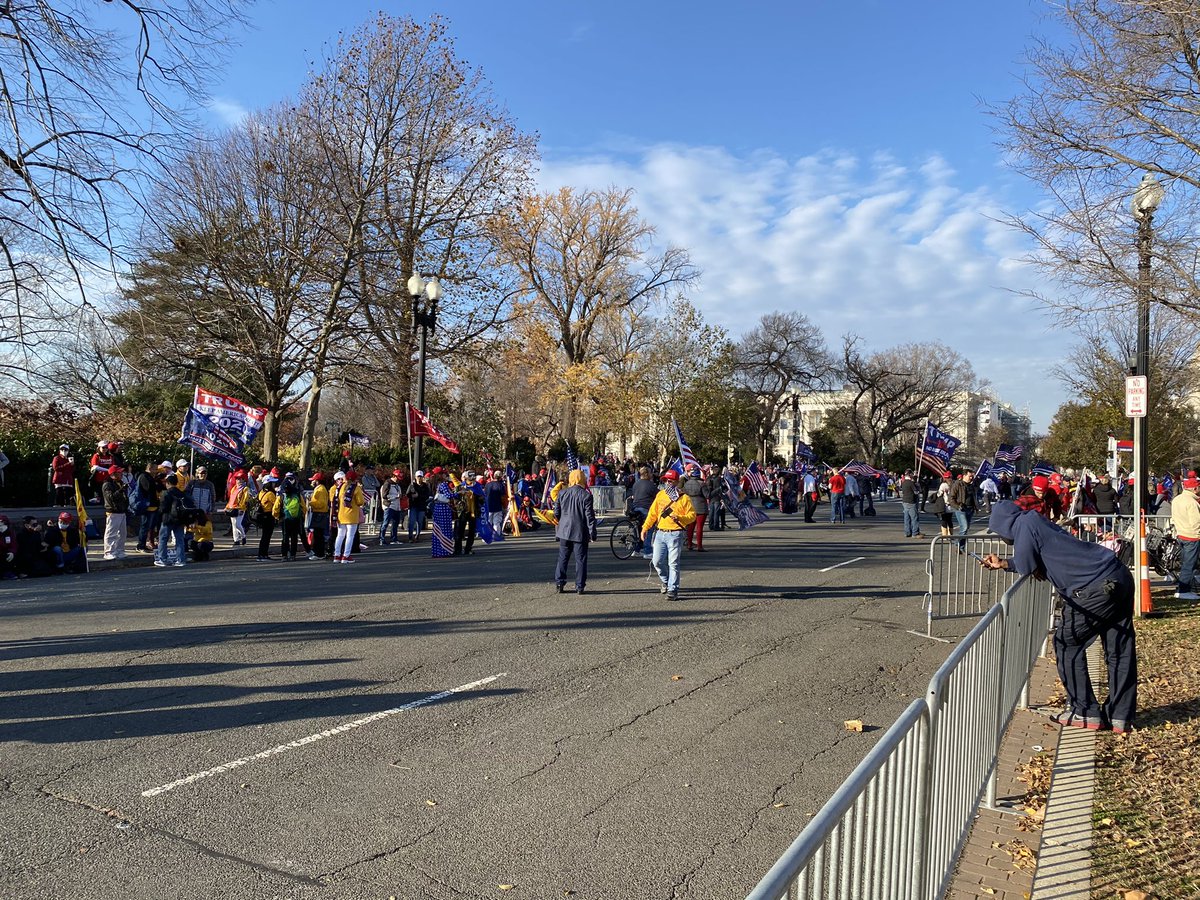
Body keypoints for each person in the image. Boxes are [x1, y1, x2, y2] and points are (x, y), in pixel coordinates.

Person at [982, 501, 1136, 733]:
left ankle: (1085, 711)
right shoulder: (1035, 521)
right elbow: (1041, 555)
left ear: (1003, 526)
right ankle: (1120, 715)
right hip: (1115, 573)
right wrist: (1004, 564)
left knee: (1067, 642)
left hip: (1092, 588)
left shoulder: (1023, 525)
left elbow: (1026, 565)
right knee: (1119, 650)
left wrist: (1010, 563)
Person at [640, 470, 697, 602]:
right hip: (660, 533)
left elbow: (692, 516)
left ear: (677, 482)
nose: (668, 483)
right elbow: (652, 513)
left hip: (675, 533)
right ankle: (666, 581)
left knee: (673, 563)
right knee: (657, 561)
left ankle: (673, 589)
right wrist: (645, 528)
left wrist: (681, 517)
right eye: (666, 480)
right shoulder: (660, 495)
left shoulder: (684, 498)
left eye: (670, 481)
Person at [553, 469, 597, 594]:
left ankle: (559, 582)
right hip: (580, 531)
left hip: (564, 531)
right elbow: (590, 517)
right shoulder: (586, 495)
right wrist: (592, 533)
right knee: (581, 560)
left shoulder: (562, 493)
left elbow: (556, 513)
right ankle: (580, 586)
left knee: (563, 558)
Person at [1170, 472, 1200, 601]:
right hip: (1191, 536)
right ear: (1194, 488)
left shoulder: (1177, 499)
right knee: (1189, 564)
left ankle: (1185, 587)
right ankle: (1184, 590)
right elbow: (1196, 522)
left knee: (1185, 564)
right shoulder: (1192, 503)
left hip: (1181, 533)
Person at [155, 473, 190, 568]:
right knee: (179, 539)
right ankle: (180, 559)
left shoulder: (165, 493)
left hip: (168, 519)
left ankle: (163, 559)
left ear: (168, 483)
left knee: (163, 539)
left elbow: (163, 508)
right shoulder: (181, 493)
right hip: (180, 519)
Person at [332, 470, 364, 563]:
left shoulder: (341, 487)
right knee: (350, 536)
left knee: (340, 535)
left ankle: (337, 555)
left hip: (341, 515)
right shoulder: (356, 488)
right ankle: (346, 556)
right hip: (351, 515)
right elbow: (360, 502)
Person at [275, 472, 308, 561]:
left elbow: (276, 508)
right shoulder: (297, 494)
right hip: (296, 518)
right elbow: (304, 507)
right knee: (294, 537)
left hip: (285, 518)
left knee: (285, 537)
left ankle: (284, 555)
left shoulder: (281, 495)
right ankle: (293, 555)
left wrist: (277, 517)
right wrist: (302, 516)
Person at [627, 466, 658, 558]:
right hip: (645, 508)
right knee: (649, 528)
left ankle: (637, 549)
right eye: (650, 473)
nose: (652, 474)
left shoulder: (636, 484)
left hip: (635, 508)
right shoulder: (650, 485)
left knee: (639, 530)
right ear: (647, 474)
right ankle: (648, 551)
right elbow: (658, 495)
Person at [101, 464, 129, 560]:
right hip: (113, 511)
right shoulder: (107, 484)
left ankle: (119, 550)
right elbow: (110, 497)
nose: (121, 474)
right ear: (113, 474)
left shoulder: (120, 482)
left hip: (121, 511)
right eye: (119, 472)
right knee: (111, 532)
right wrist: (120, 491)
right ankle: (108, 551)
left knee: (122, 533)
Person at [682, 464, 709, 551]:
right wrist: (715, 491)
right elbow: (707, 495)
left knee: (690, 527)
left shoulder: (686, 484)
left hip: (690, 506)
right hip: (701, 507)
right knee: (699, 527)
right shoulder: (702, 484)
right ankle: (699, 546)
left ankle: (689, 544)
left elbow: (684, 494)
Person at [252, 473, 279, 561]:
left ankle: (261, 554)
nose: (274, 484)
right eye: (272, 482)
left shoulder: (261, 492)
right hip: (268, 516)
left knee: (264, 536)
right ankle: (264, 555)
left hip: (262, 516)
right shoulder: (270, 494)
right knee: (267, 536)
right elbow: (276, 504)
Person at [429, 472, 455, 558]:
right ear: (441, 475)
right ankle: (445, 551)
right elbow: (448, 495)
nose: (446, 476)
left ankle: (437, 552)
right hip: (443, 508)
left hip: (437, 508)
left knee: (437, 530)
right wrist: (458, 493)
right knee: (445, 530)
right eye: (445, 474)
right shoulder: (443, 484)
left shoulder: (435, 484)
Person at [453, 472, 478, 556]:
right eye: (470, 479)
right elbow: (454, 498)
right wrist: (460, 497)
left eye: (473, 479)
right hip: (462, 512)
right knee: (459, 531)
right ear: (465, 479)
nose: (472, 481)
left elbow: (482, 498)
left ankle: (468, 548)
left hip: (473, 512)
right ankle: (457, 549)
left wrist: (479, 497)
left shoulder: (477, 486)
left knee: (472, 531)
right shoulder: (460, 486)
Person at [307, 472, 330, 560]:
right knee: (318, 534)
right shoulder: (321, 489)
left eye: (314, 480)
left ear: (317, 481)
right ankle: (319, 552)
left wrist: (311, 502)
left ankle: (319, 553)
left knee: (318, 534)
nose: (312, 482)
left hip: (319, 513)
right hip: (320, 513)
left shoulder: (320, 490)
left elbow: (321, 503)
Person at [379, 469, 405, 545]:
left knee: (395, 523)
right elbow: (384, 496)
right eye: (397, 478)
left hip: (396, 506)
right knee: (385, 522)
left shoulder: (397, 485)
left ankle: (394, 538)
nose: (398, 480)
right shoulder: (387, 484)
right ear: (394, 476)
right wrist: (395, 496)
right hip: (389, 505)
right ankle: (382, 539)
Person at [406, 470, 431, 543]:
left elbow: (427, 496)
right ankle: (410, 537)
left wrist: (419, 495)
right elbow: (407, 494)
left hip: (421, 506)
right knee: (412, 522)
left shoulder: (425, 486)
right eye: (418, 476)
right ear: (415, 477)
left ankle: (417, 535)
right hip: (413, 506)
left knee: (419, 522)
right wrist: (412, 495)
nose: (419, 478)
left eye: (421, 476)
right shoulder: (412, 485)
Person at [899, 469, 923, 538]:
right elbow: (916, 492)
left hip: (905, 501)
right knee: (914, 518)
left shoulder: (903, 482)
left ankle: (907, 532)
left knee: (907, 518)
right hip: (911, 501)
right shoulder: (911, 483)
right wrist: (918, 487)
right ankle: (915, 533)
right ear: (910, 475)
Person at [0, 515, 16, 579]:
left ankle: (7, 572)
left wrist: (12, 552)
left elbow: (14, 544)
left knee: (10, 556)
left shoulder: (10, 533)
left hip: (6, 552)